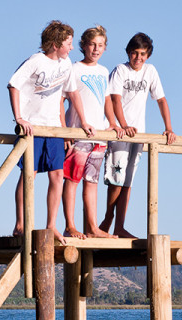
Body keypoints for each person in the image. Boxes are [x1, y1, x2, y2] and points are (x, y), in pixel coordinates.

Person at [8, 20, 94, 244]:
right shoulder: (36, 61)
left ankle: (51, 226)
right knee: (29, 174)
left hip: (54, 127)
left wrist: (83, 121)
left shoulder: (66, 65)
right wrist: (19, 117)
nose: (72, 48)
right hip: (32, 127)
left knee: (57, 175)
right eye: (68, 43)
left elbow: (73, 93)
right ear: (56, 44)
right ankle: (20, 223)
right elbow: (13, 85)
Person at [100, 32, 177, 238]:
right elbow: (115, 99)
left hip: (139, 134)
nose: (138, 58)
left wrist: (168, 127)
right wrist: (122, 125)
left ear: (148, 55)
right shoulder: (120, 71)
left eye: (142, 54)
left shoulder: (150, 71)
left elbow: (161, 100)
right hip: (121, 133)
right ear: (128, 53)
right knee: (116, 178)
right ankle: (107, 221)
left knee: (128, 180)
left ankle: (119, 226)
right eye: (135, 53)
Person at [61, 25, 124, 239]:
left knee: (92, 181)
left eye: (100, 46)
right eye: (92, 45)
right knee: (71, 179)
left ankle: (92, 227)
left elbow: (106, 99)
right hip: (78, 133)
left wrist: (112, 122)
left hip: (98, 135)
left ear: (105, 48)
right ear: (84, 45)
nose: (96, 49)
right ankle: (70, 225)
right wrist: (64, 131)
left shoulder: (103, 71)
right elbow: (61, 100)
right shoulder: (74, 68)